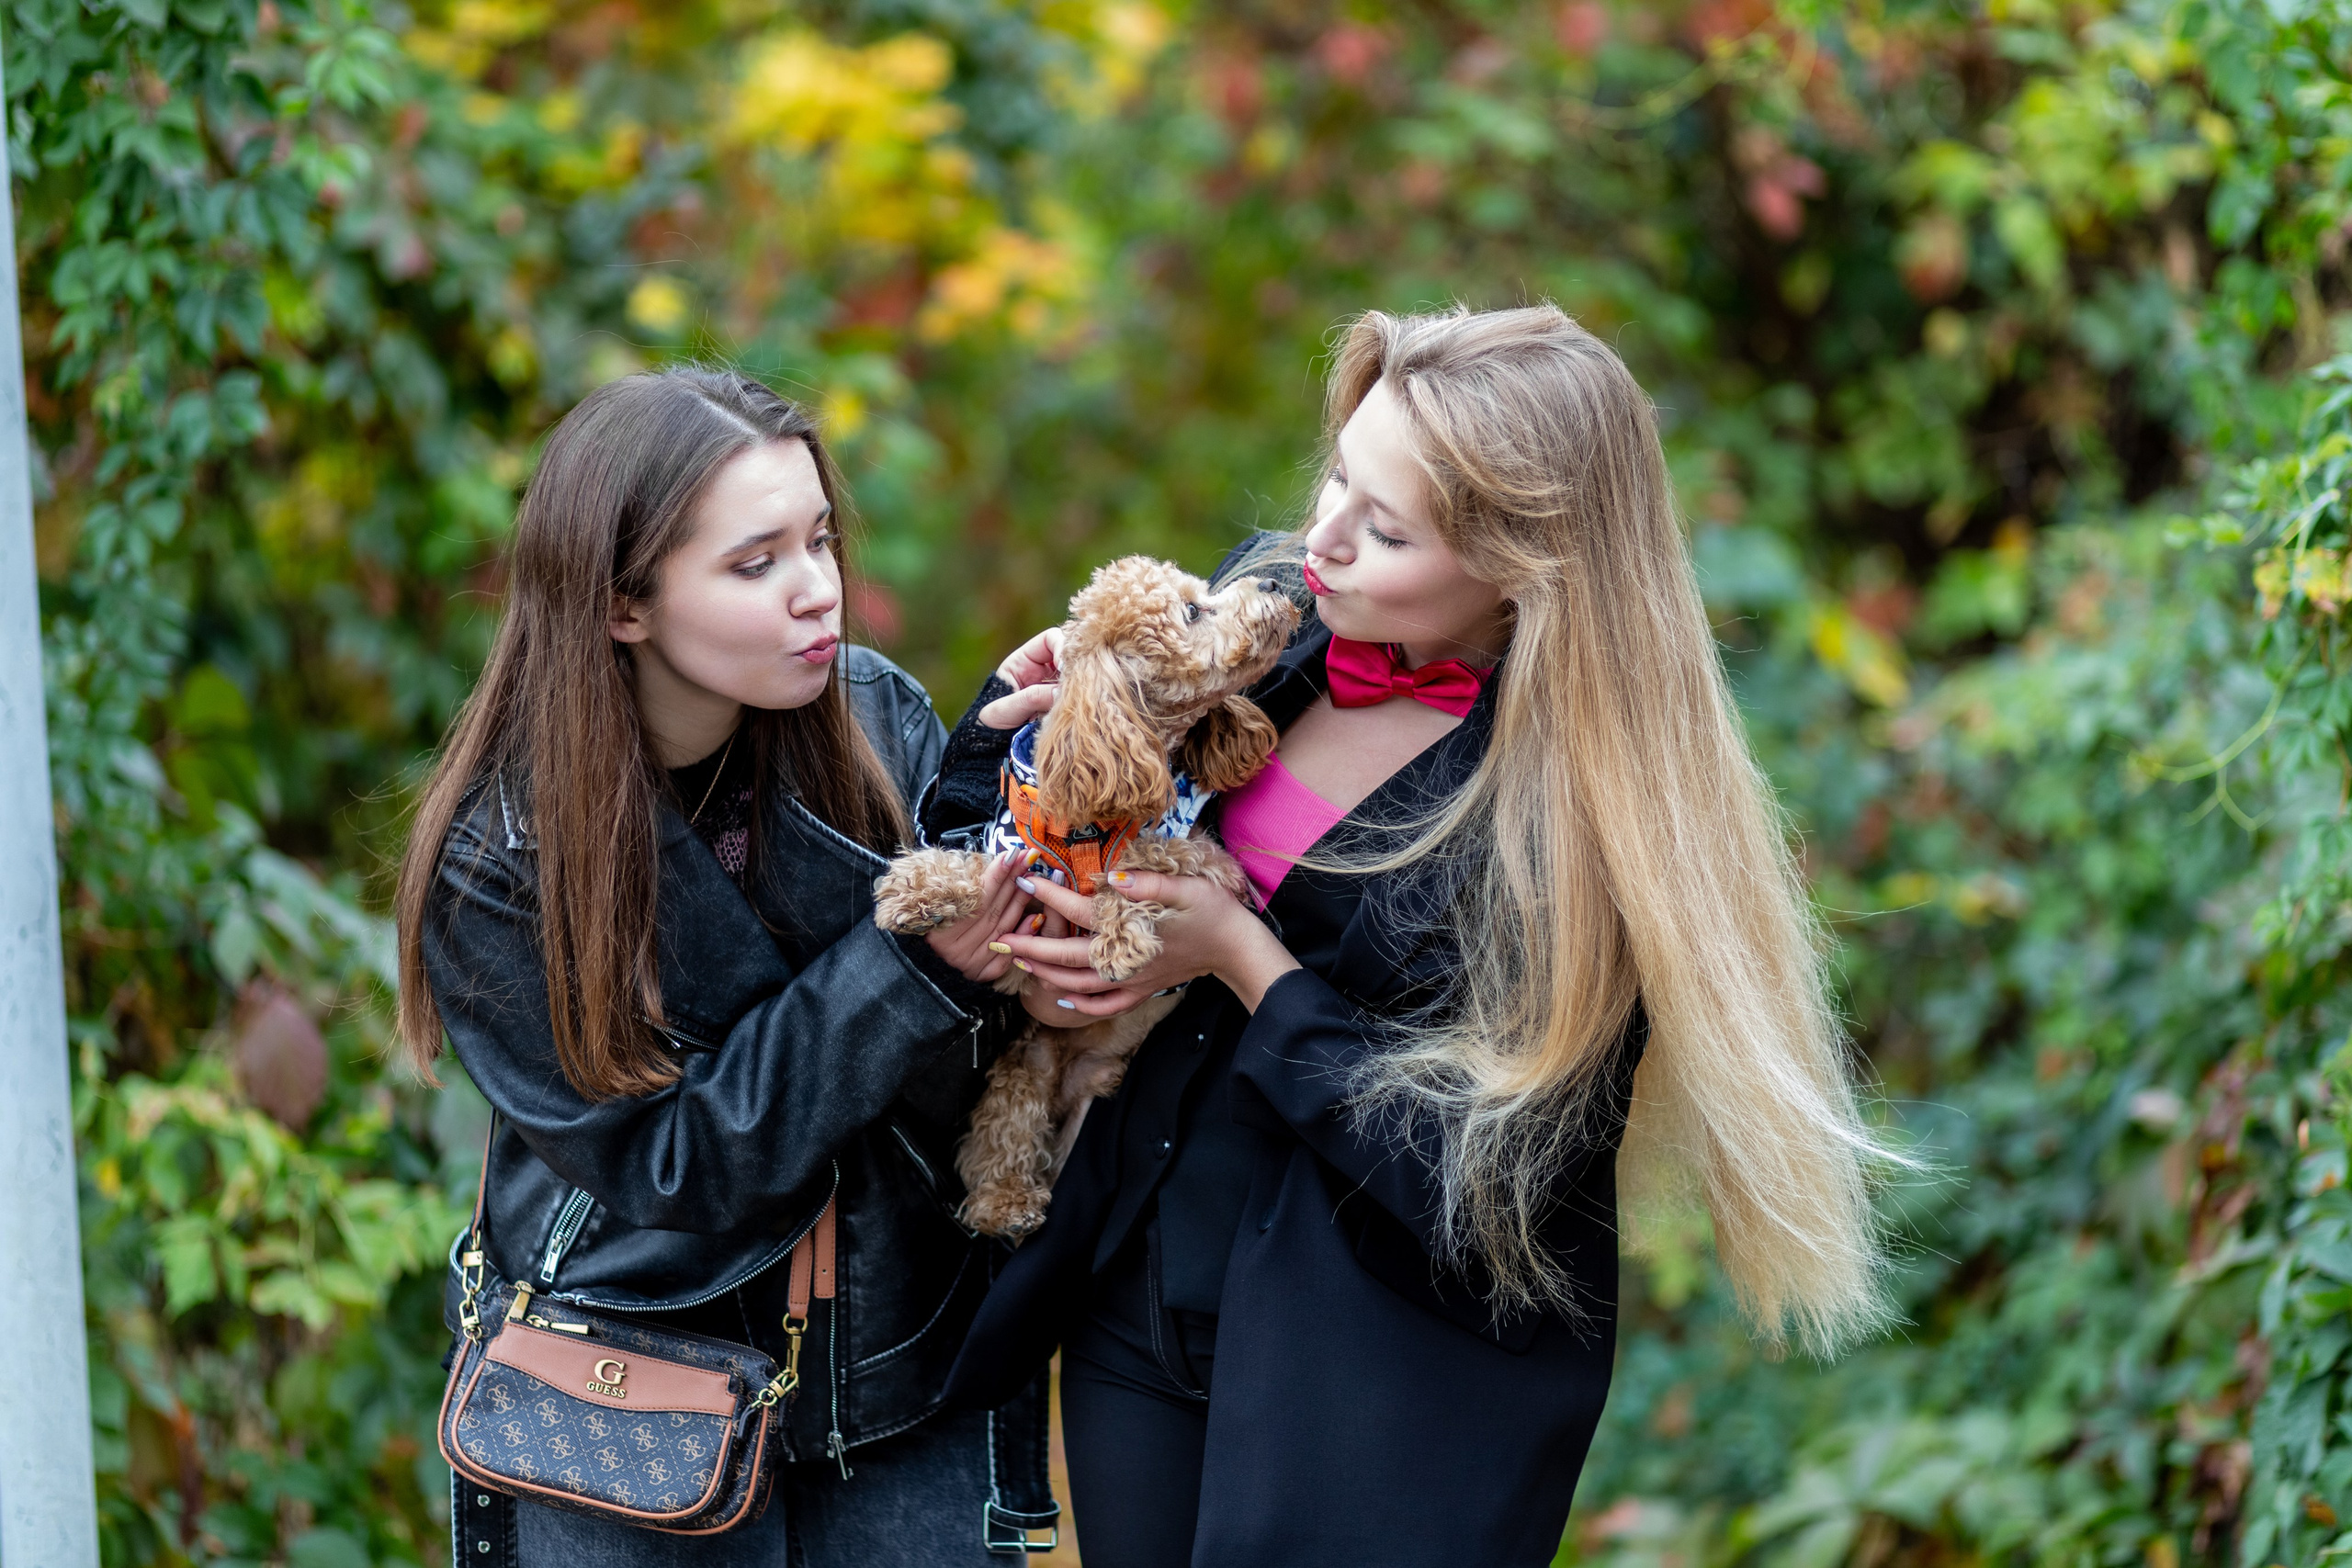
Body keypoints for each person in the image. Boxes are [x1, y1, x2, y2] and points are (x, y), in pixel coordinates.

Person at [930, 306, 1892, 1565]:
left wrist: (1244, 958)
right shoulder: (1276, 621)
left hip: (1374, 1383)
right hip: (1139, 1296)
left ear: (1524, 563)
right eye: (1339, 477)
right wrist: (1017, 738)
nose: (1322, 539)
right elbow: (1017, 845)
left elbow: (1485, 1180)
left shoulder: (1582, 820)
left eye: (1385, 530)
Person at [392, 367, 1056, 1566]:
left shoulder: (873, 718)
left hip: (900, 1367)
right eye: (755, 565)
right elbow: (676, 1163)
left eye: (820, 540)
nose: (818, 591)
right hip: (630, 1387)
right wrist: (905, 969)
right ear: (622, 604)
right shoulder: (505, 860)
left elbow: (973, 1066)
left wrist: (1001, 788)